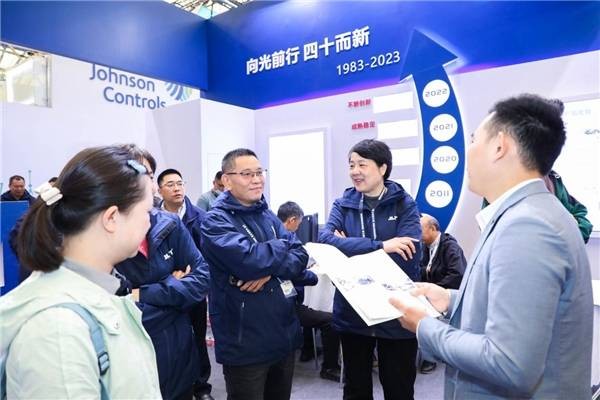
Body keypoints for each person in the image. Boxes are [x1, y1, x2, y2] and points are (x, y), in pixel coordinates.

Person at [390, 94, 593, 399]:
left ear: (499, 146)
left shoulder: (528, 226)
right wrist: (450, 299)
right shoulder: (530, 212)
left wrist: (424, 326)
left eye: (473, 140)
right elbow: (516, 307)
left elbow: (509, 364)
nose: (467, 151)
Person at [0, 146, 161, 399]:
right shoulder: (57, 331)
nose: (150, 221)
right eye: (147, 211)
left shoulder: (98, 290)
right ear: (112, 218)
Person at [199, 148, 314, 400]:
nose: (256, 179)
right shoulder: (215, 221)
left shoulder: (267, 214)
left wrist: (268, 271)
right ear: (227, 180)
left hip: (283, 335)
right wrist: (281, 245)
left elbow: (300, 256)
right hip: (245, 341)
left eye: (259, 173)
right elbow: (249, 262)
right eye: (247, 174)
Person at [320, 139, 422, 400]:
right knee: (355, 389)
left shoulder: (404, 204)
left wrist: (348, 249)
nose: (355, 171)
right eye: (351, 165)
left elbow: (406, 257)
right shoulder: (343, 204)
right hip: (353, 312)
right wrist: (382, 246)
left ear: (383, 168)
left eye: (362, 164)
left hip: (396, 312)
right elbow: (326, 242)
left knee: (399, 388)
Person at [115, 147, 211, 400]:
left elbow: (201, 279)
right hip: (132, 364)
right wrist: (173, 289)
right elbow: (114, 307)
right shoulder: (104, 233)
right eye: (134, 173)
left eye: (148, 175)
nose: (144, 182)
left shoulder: (170, 224)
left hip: (179, 357)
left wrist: (140, 293)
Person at [157, 167, 214, 400]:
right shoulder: (151, 219)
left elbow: (207, 257)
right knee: (171, 340)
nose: (177, 188)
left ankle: (201, 387)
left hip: (193, 290)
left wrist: (192, 277)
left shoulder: (200, 217)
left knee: (198, 338)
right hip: (166, 288)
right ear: (159, 190)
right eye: (170, 184)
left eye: (180, 183)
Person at [277, 200, 342, 382]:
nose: (298, 228)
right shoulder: (285, 240)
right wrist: (311, 275)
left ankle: (307, 349)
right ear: (292, 220)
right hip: (284, 307)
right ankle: (329, 367)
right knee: (330, 320)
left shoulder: (271, 235)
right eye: (298, 224)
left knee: (306, 303)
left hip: (281, 302)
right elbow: (294, 272)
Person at [418, 213, 466, 373]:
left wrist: (435, 289)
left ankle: (429, 357)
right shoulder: (425, 247)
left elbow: (457, 275)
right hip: (430, 292)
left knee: (426, 315)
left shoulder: (450, 246)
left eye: (420, 229)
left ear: (432, 228)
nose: (416, 233)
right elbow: (423, 270)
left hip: (447, 294)